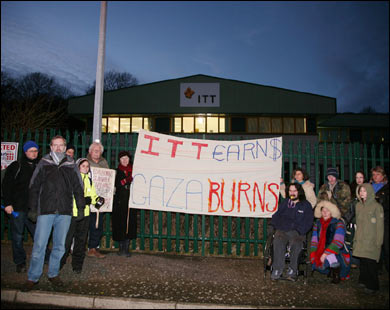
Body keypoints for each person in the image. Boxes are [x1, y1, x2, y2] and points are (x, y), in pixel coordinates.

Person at [23, 136, 85, 291]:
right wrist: (32, 209)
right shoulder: (44, 163)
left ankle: (53, 274)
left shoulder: (71, 164)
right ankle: (33, 277)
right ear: (50, 147)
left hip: (64, 211)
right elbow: (34, 186)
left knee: (59, 246)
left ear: (65, 147)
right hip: (45, 210)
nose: (58, 148)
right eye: (55, 145)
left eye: (61, 145)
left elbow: (78, 187)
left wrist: (81, 208)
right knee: (39, 245)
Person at [2, 141, 49, 273]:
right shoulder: (16, 166)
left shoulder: (40, 166)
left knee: (39, 234)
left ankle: (45, 256)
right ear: (25, 152)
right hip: (18, 208)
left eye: (35, 151)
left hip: (34, 208)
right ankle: (20, 261)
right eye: (31, 151)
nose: (34, 153)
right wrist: (8, 203)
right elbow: (6, 185)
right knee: (17, 236)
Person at [60, 158, 100, 273]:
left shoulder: (89, 180)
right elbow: (70, 196)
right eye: (83, 166)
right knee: (66, 241)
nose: (86, 168)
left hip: (85, 214)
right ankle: (59, 263)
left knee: (81, 241)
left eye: (87, 166)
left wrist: (98, 200)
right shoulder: (72, 179)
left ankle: (77, 265)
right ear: (78, 167)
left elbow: (93, 196)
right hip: (72, 214)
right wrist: (83, 200)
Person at [270, 183, 314, 281]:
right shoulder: (286, 203)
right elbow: (276, 216)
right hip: (283, 230)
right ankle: (277, 269)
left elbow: (309, 221)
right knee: (278, 240)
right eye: (290, 191)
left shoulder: (305, 205)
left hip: (297, 231)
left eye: (294, 191)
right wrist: (276, 226)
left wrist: (300, 230)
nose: (292, 193)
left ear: (299, 192)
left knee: (297, 243)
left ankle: (292, 270)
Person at [353, 183, 384, 294]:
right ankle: (363, 280)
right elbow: (358, 223)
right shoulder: (358, 206)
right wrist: (356, 238)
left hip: (371, 238)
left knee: (371, 262)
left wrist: (379, 242)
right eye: (360, 191)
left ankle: (373, 285)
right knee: (363, 261)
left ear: (370, 192)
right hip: (361, 238)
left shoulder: (377, 207)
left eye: (364, 191)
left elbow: (380, 226)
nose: (362, 193)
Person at [310, 200, 351, 284]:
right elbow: (314, 241)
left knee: (328, 259)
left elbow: (338, 242)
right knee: (316, 263)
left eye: (327, 210)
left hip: (337, 252)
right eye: (323, 210)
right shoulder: (317, 224)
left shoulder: (338, 223)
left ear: (332, 212)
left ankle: (336, 273)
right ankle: (329, 270)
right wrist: (313, 253)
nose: (325, 213)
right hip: (321, 249)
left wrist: (325, 254)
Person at [86, 141, 109, 259]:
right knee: (86, 224)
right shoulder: (85, 162)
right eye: (95, 150)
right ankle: (82, 248)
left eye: (99, 151)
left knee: (97, 224)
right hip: (87, 199)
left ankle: (94, 247)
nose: (97, 152)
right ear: (90, 151)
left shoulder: (104, 163)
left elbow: (108, 178)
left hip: (100, 199)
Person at [112, 151, 137, 257]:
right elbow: (116, 184)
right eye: (122, 158)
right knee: (120, 224)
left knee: (129, 224)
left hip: (131, 201)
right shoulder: (116, 172)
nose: (124, 160)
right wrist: (126, 180)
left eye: (126, 158)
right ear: (119, 160)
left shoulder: (135, 170)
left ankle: (126, 248)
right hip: (120, 201)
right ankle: (121, 247)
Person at [343, 170, 366, 268]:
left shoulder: (367, 189)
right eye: (357, 177)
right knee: (352, 241)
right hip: (353, 221)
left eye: (361, 177)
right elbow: (349, 208)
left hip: (363, 222)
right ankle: (354, 261)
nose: (359, 179)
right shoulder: (351, 190)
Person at [370, 166, 389, 274]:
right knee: (375, 244)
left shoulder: (386, 187)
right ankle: (378, 266)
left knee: (385, 244)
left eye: (377, 174)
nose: (375, 176)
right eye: (373, 174)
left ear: (383, 175)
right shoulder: (370, 187)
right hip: (373, 220)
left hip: (385, 220)